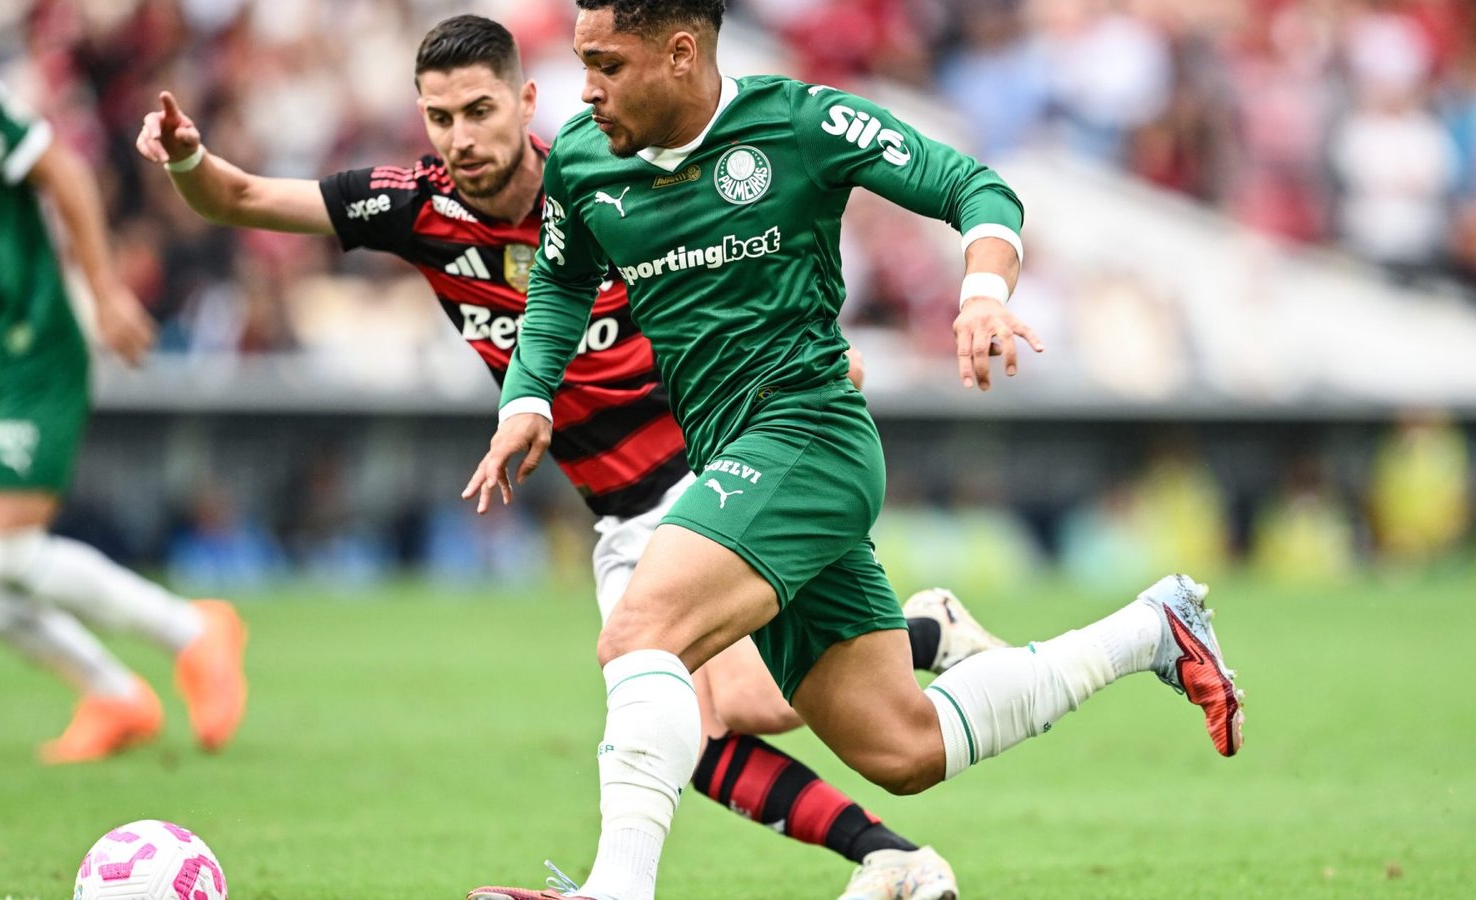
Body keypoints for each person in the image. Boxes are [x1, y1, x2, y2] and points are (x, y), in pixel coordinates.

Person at [135, 15, 1007, 898]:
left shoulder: (611, 177)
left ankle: (898, 729)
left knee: (701, 698)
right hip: (617, 511)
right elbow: (241, 198)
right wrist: (184, 161)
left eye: (479, 110)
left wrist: (811, 359)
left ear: (526, 101)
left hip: (708, 472)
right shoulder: (413, 207)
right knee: (695, 731)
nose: (462, 137)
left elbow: (744, 274)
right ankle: (898, 810)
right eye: (440, 118)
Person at [460, 2, 1247, 899]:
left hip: (808, 435)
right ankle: (1154, 626)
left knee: (640, 636)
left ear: (680, 53)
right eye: (580, 63)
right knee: (903, 747)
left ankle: (616, 891)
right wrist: (527, 399)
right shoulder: (581, 160)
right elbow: (560, 282)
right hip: (732, 456)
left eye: (606, 64)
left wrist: (982, 293)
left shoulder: (800, 123)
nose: (586, 89)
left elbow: (976, 187)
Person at [0, 0, 246, 764]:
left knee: (4, 557)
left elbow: (63, 169)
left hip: (37, 337)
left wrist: (105, 290)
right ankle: (112, 693)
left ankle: (194, 632)